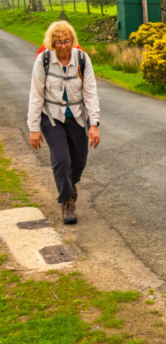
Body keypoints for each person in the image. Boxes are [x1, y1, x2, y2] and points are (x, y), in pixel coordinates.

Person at [27, 20, 101, 224]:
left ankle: (70, 184)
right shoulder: (43, 59)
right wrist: (34, 128)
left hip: (76, 116)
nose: (63, 46)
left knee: (79, 161)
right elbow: (36, 94)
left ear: (72, 41)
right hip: (51, 117)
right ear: (51, 43)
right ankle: (67, 201)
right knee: (61, 158)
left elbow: (91, 92)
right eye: (58, 42)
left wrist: (93, 124)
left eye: (67, 41)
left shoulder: (82, 59)